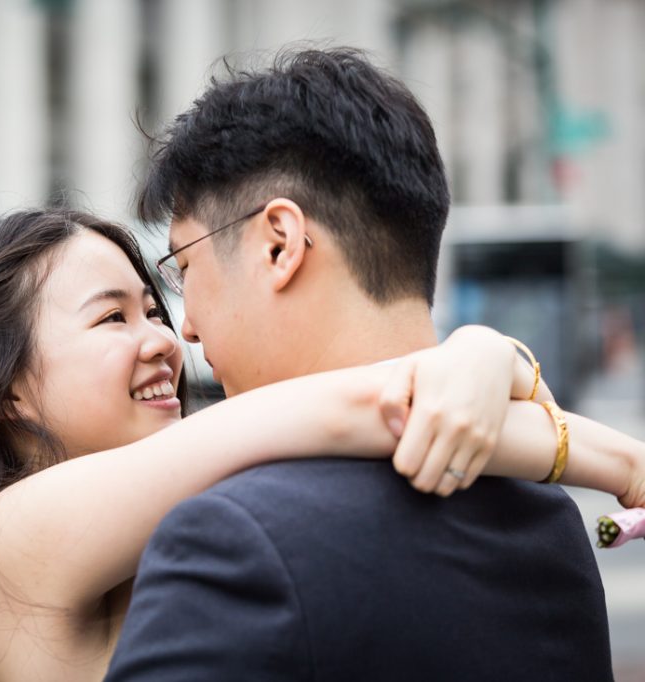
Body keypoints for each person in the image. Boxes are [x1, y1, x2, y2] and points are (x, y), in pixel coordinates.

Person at [0, 210, 642, 682]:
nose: (168, 342)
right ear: (7, 390)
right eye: (112, 319)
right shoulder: (12, 536)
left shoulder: (180, 517)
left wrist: (485, 359)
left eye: (154, 308)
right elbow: (357, 411)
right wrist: (622, 462)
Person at [103, 47, 631, 682]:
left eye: (185, 267)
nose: (185, 327)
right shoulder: (550, 522)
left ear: (280, 244)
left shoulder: (234, 539)